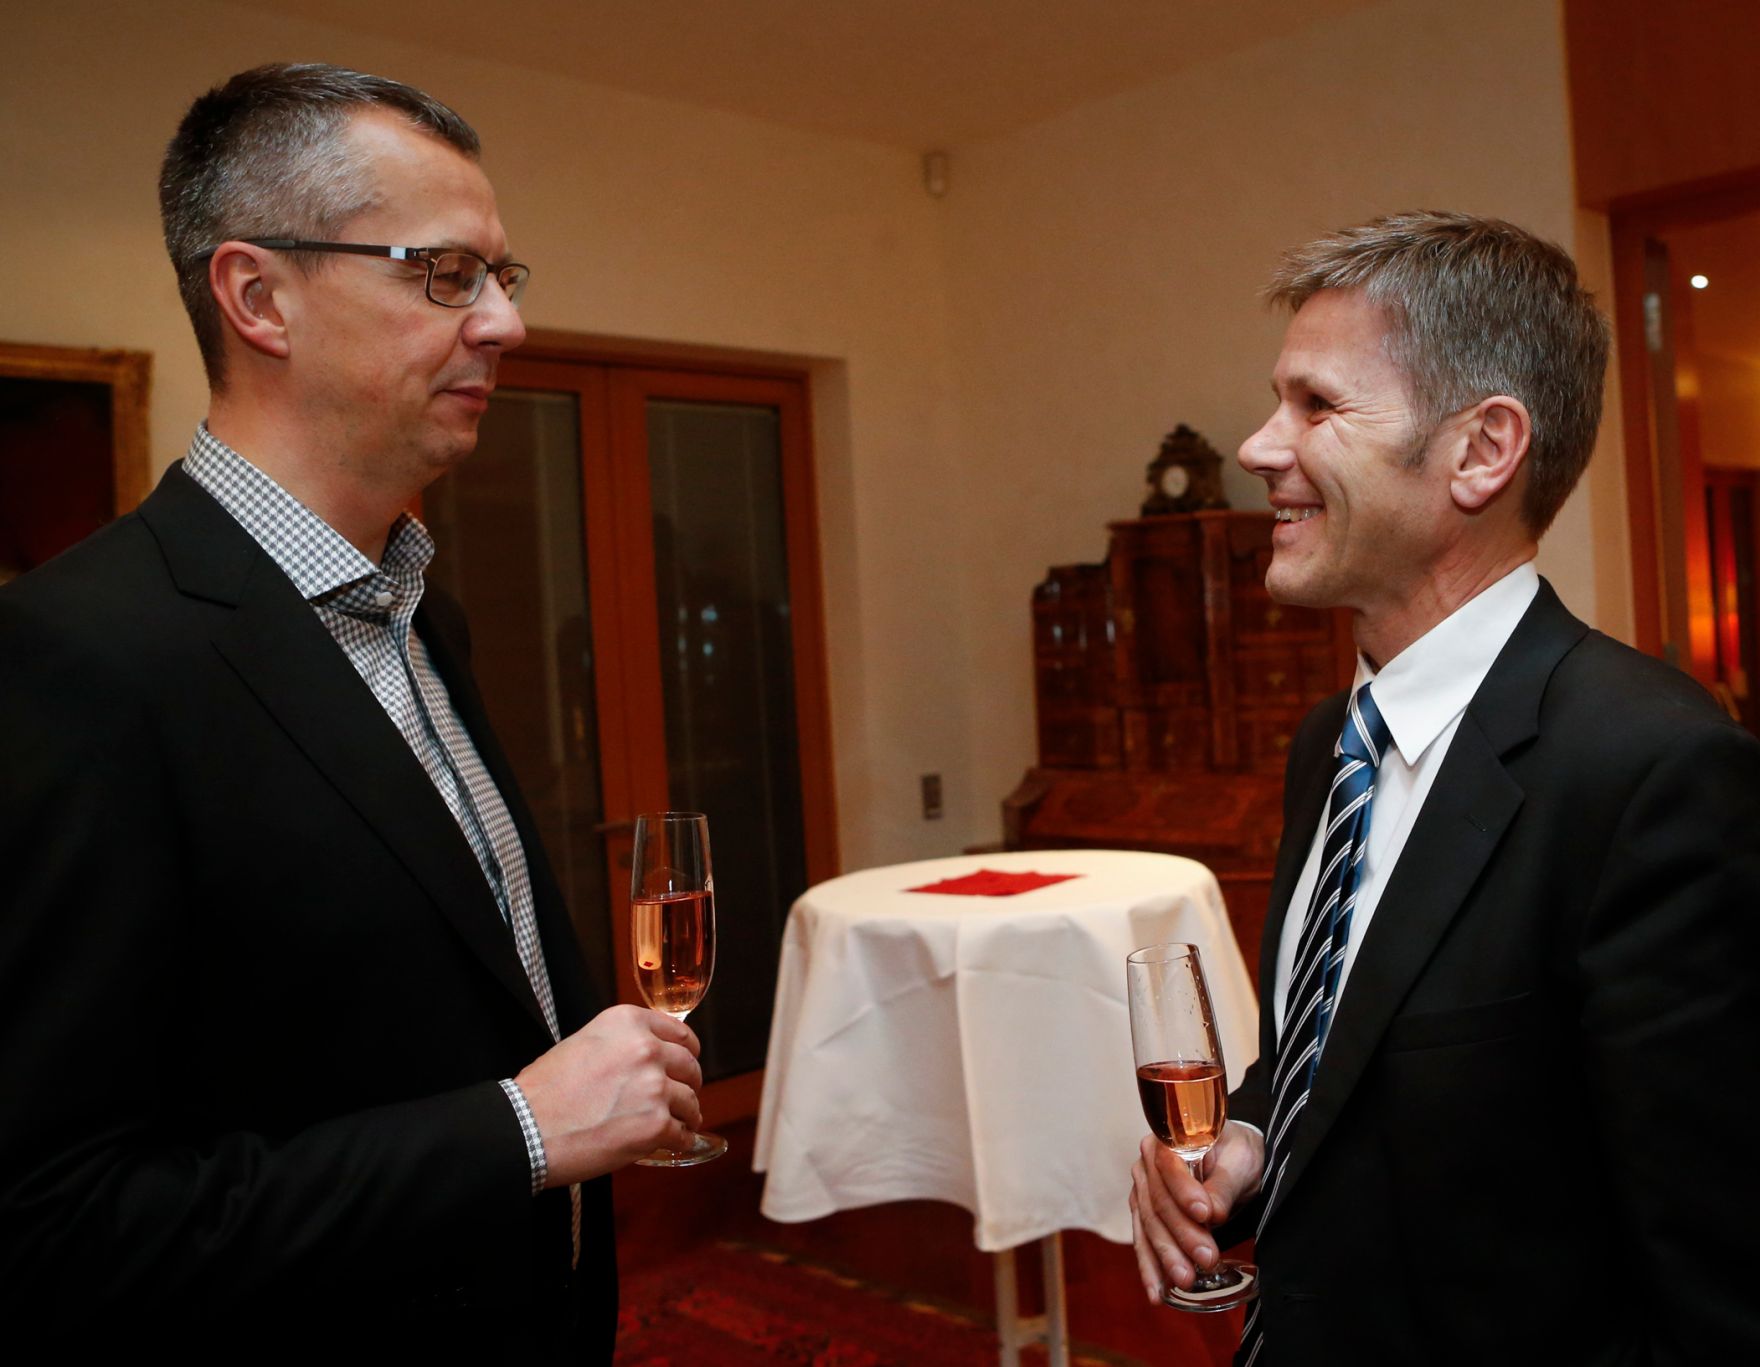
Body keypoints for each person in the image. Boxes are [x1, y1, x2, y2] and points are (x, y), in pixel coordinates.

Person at [0, 63, 703, 1353]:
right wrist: (522, 1129)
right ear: (258, 296)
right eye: (446, 274)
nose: (505, 322)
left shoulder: (424, 611)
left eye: (502, 275)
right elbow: (53, 1226)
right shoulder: (72, 658)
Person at [1129, 211, 1760, 1363]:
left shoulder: (1650, 771)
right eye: (1276, 402)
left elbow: (1713, 1270)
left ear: (1481, 450)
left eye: (1316, 405)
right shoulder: (1327, 743)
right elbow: (1339, 1049)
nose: (1259, 446)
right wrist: (1250, 1137)